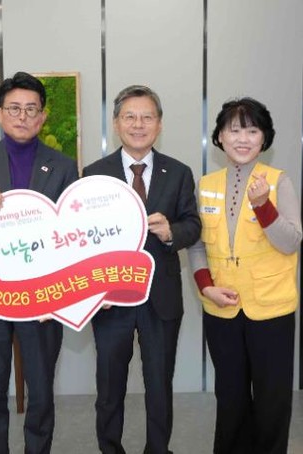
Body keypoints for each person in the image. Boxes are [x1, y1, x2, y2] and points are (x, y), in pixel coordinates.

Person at [0, 71, 78, 454]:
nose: (22, 116)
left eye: (31, 109)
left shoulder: (63, 165)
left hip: (44, 295)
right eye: (14, 108)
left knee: (40, 389)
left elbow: (73, 231)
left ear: (43, 116)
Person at [82, 85, 200, 454]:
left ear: (159, 124)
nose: (138, 124)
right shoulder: (93, 174)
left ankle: (158, 449)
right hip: (110, 298)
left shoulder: (178, 172)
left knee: (159, 385)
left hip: (160, 299)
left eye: (147, 117)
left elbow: (193, 226)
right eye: (130, 117)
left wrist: (171, 232)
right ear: (116, 123)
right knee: (109, 386)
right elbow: (81, 235)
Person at [188, 97, 303, 454]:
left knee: (271, 401)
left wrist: (263, 205)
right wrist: (206, 288)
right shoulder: (205, 184)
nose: (242, 138)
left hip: (270, 310)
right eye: (234, 130)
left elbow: (291, 242)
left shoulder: (278, 182)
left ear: (264, 138)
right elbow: (196, 246)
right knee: (230, 399)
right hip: (221, 308)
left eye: (252, 131)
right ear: (220, 137)